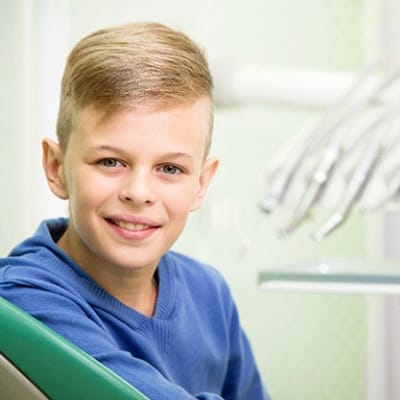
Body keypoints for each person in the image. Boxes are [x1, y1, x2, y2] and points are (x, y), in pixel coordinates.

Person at [0, 22, 269, 400]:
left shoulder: (211, 295)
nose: (139, 193)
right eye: (111, 162)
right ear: (56, 168)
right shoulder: (18, 302)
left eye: (170, 169)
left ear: (201, 184)